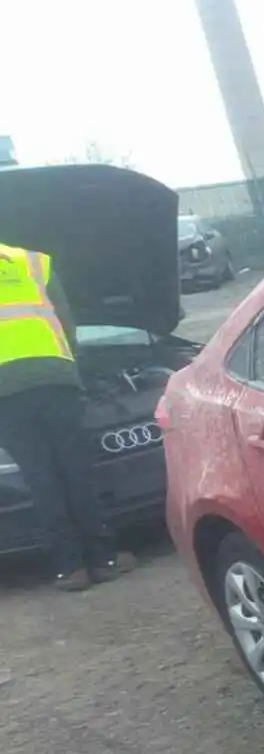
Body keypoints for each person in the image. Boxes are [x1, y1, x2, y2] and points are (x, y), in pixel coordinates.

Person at [0, 242, 135, 590]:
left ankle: (69, 568)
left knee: (40, 476)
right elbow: (66, 322)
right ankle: (104, 560)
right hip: (55, 378)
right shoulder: (34, 262)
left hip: (7, 392)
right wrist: (68, 364)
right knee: (76, 468)